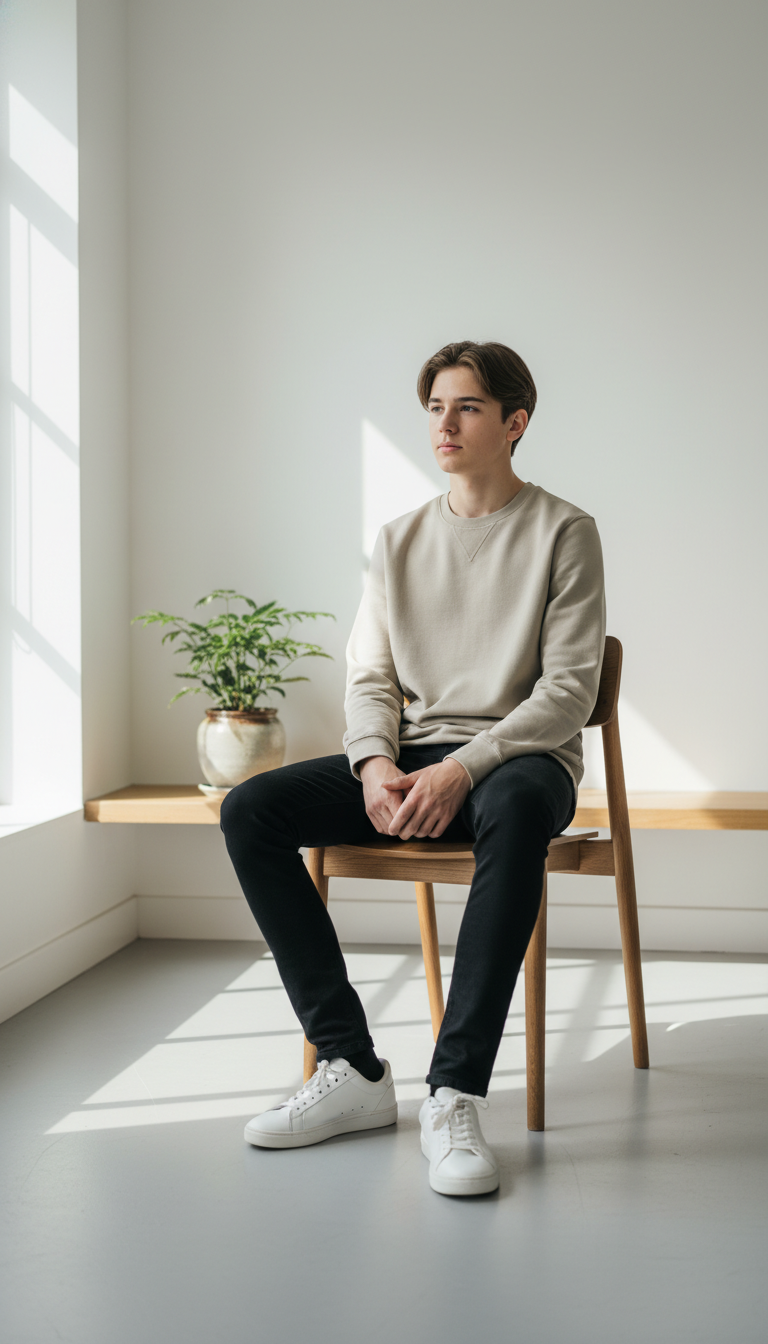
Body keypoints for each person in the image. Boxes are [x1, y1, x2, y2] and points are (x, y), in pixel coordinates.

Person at [220, 340, 605, 1197]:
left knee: (514, 808)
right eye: (435, 407)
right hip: (414, 762)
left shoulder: (565, 531)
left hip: (520, 762)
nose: (445, 424)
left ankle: (456, 1091)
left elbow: (569, 690)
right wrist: (373, 766)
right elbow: (372, 677)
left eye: (466, 407)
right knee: (251, 810)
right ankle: (352, 1070)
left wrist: (462, 768)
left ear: (515, 423)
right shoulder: (398, 541)